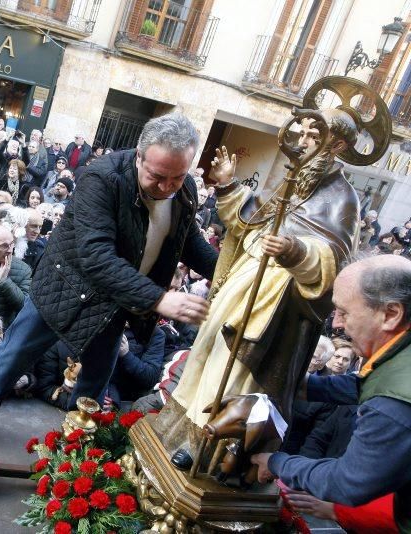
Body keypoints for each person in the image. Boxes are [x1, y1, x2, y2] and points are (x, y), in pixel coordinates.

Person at [0, 113, 218, 446]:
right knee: (13, 357)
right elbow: (97, 256)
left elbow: (189, 241)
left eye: (177, 178)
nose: (167, 188)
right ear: (139, 155)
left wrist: (229, 273)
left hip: (115, 298)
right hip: (63, 288)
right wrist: (159, 299)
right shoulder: (102, 179)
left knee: (95, 377)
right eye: (157, 176)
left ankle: (75, 442)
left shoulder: (185, 190)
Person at [154, 109, 362, 465]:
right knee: (207, 355)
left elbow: (335, 261)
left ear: (337, 144)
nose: (304, 140)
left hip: (274, 303)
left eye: (316, 134)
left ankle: (207, 452)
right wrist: (230, 185)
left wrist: (294, 250)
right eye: (305, 132)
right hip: (245, 281)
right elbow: (252, 222)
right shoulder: (294, 182)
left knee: (233, 372)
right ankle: (178, 427)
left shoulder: (343, 198)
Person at [251, 255, 411, 532]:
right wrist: (301, 384)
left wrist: (277, 462)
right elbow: (366, 383)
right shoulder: (400, 355)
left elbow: (349, 482)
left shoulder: (393, 402)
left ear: (390, 314)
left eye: (345, 312)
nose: (336, 323)